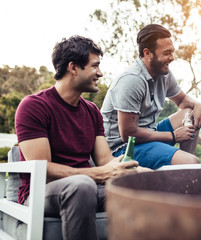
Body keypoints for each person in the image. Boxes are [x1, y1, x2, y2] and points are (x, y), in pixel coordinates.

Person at [15, 36, 149, 240]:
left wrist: (137, 172)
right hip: (41, 192)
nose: (100, 73)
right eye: (95, 66)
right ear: (73, 67)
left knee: (144, 184)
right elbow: (44, 171)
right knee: (82, 186)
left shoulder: (92, 111)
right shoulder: (33, 106)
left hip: (86, 187)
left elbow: (105, 160)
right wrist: (98, 174)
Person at [101, 24, 201, 169]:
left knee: (190, 113)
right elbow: (128, 134)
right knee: (192, 163)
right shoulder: (132, 80)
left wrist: (198, 105)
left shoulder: (164, 74)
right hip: (123, 148)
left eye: (172, 52)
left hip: (149, 134)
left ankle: (182, 166)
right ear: (147, 53)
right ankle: (185, 165)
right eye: (166, 53)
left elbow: (182, 101)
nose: (172, 58)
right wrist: (173, 136)